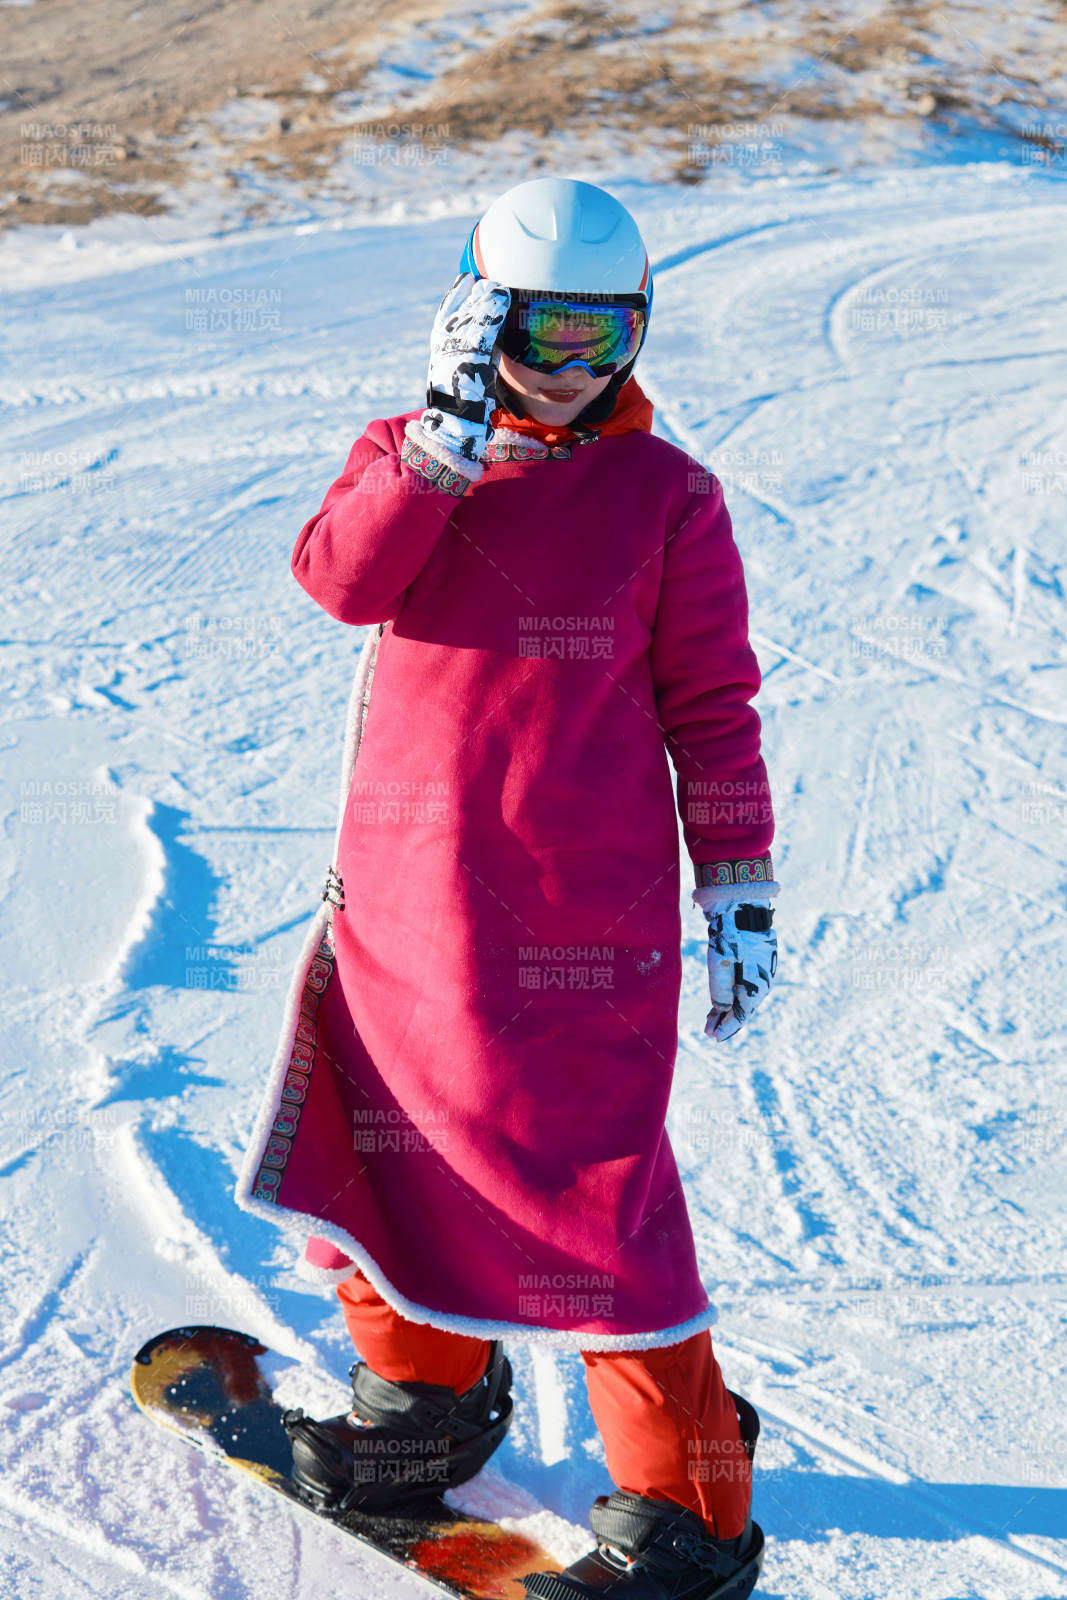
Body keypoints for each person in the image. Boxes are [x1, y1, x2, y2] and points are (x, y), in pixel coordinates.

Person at [237, 176, 779, 1599]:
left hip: (577, 929)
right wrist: (439, 441)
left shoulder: (667, 497)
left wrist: (737, 882)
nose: (573, 364)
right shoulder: (411, 460)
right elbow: (343, 584)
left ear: (640, 332)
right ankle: (422, 1403)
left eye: (606, 335)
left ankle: (694, 1509)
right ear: (476, 316)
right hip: (408, 910)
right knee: (389, 1146)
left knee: (599, 1211)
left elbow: (713, 707)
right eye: (540, 328)